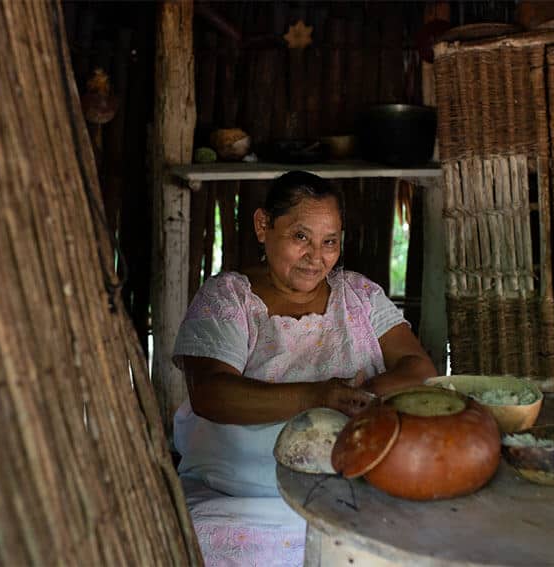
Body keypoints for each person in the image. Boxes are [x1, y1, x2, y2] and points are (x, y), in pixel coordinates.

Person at [171, 170, 437, 566]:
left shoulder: (360, 296)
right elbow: (211, 392)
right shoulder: (228, 298)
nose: (317, 257)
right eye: (301, 237)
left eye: (329, 242)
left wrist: (359, 399)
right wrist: (317, 396)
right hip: (240, 503)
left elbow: (418, 368)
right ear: (264, 225)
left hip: (350, 495)